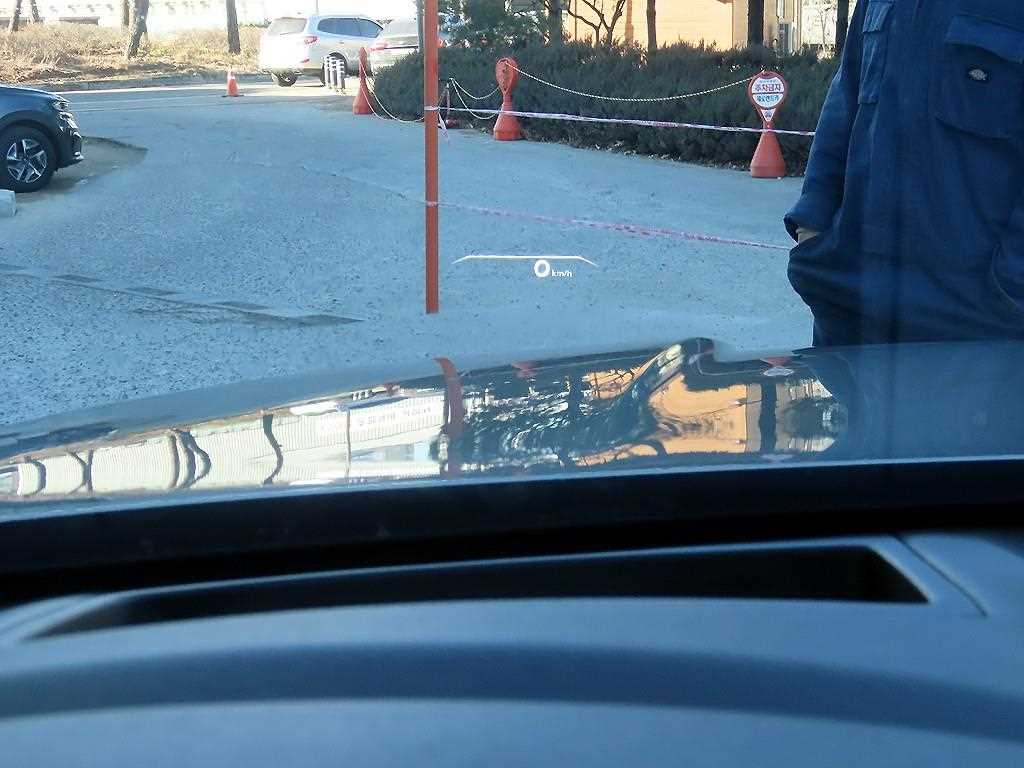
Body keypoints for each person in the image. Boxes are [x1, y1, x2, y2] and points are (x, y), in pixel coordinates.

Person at [785, 0, 1024, 347]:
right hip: (851, 303)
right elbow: (846, 94)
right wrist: (812, 227)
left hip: (974, 321)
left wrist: (1011, 290)